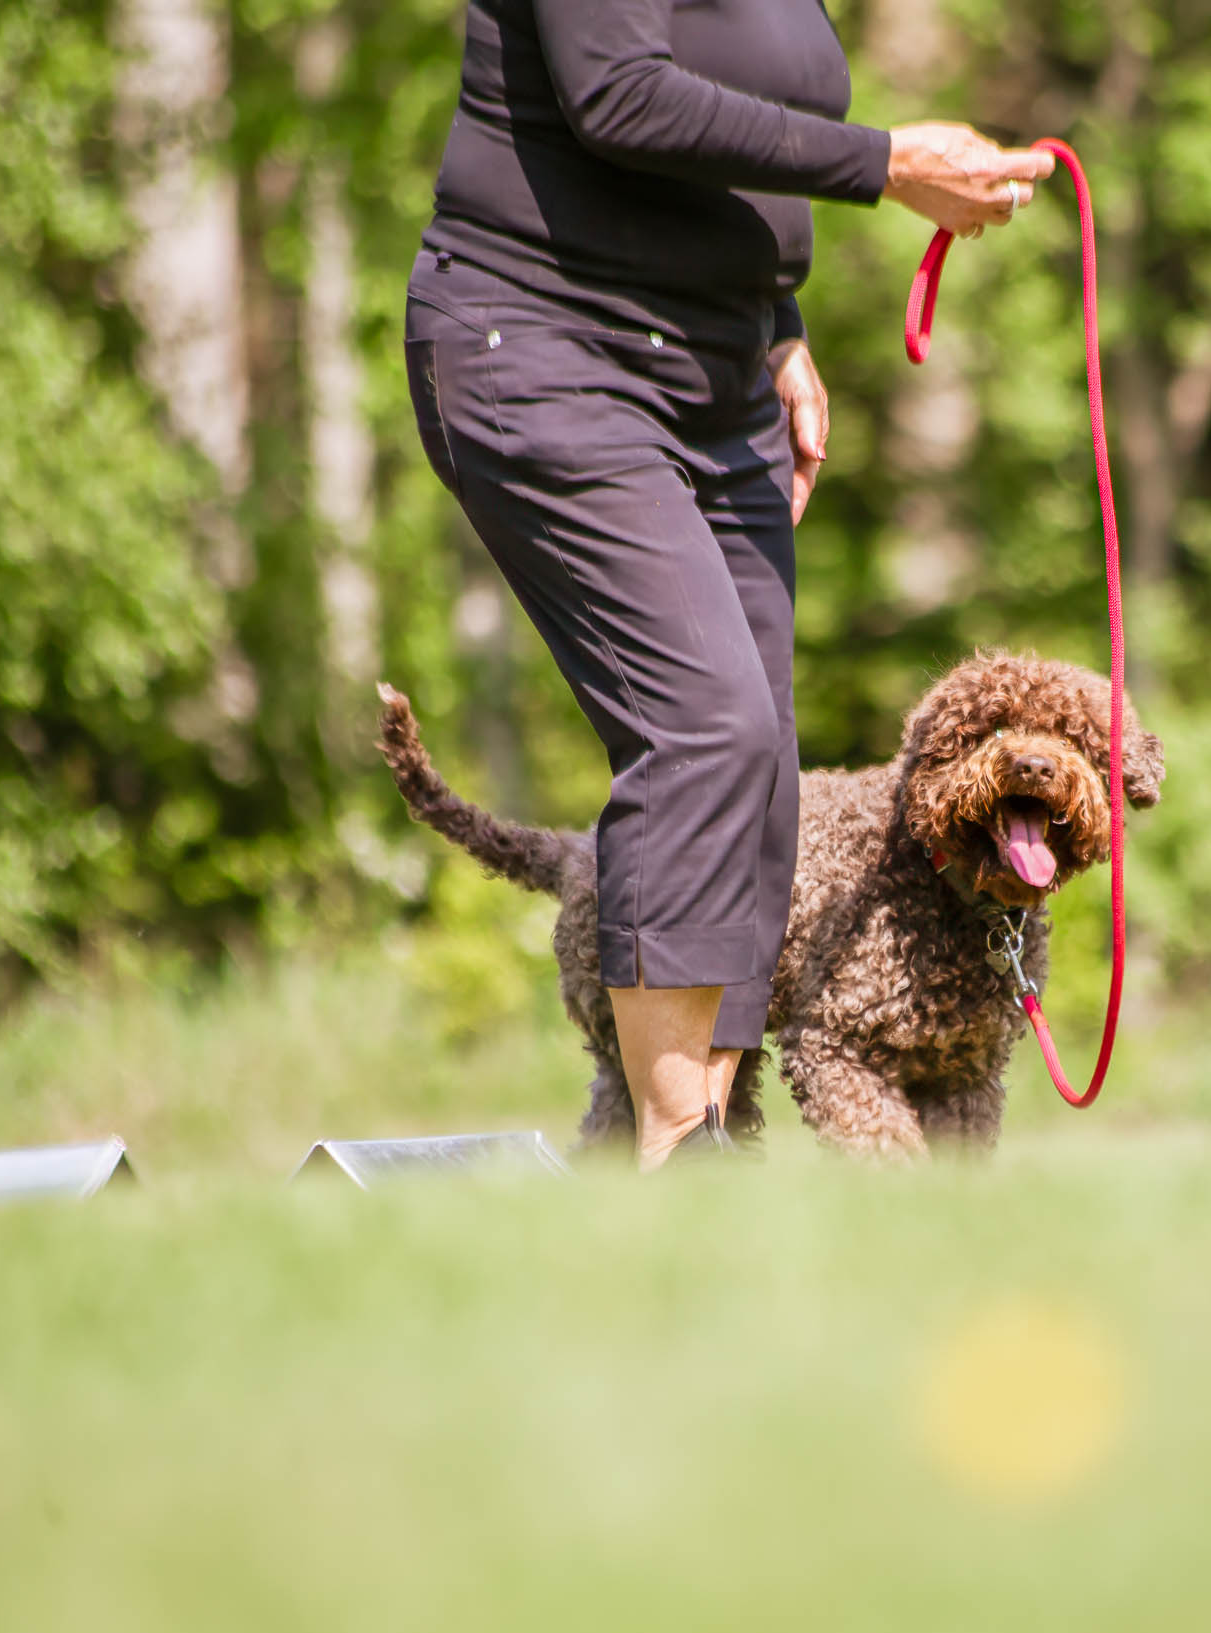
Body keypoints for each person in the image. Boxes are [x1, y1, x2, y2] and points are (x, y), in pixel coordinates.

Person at [405, 0, 1053, 1169]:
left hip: (715, 375)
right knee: (705, 725)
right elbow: (620, 95)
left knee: (757, 760)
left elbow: (737, 120)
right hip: (548, 347)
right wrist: (890, 163)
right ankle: (676, 1148)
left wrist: (775, 319)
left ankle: (710, 1138)